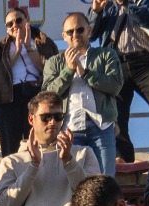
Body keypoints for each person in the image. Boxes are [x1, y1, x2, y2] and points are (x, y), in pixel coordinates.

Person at [89, 0, 149, 164]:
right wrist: (96, 11)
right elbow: (91, 34)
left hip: (145, 63)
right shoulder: (107, 5)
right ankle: (123, 160)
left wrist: (127, 5)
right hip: (115, 65)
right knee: (116, 116)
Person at [43, 11, 123, 177]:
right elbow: (47, 96)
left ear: (89, 30)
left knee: (105, 182)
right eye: (70, 32)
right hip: (69, 130)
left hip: (101, 127)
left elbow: (115, 85)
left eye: (79, 30)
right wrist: (68, 70)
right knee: (72, 186)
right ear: (64, 36)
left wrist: (85, 72)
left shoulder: (106, 54)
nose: (75, 35)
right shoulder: (54, 62)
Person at [0, 7, 59, 156]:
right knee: (11, 148)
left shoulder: (43, 42)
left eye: (18, 20)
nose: (14, 25)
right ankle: (14, 178)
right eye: (9, 24)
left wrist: (28, 47)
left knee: (40, 142)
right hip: (9, 99)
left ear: (27, 20)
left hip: (36, 95)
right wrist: (17, 50)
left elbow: (48, 70)